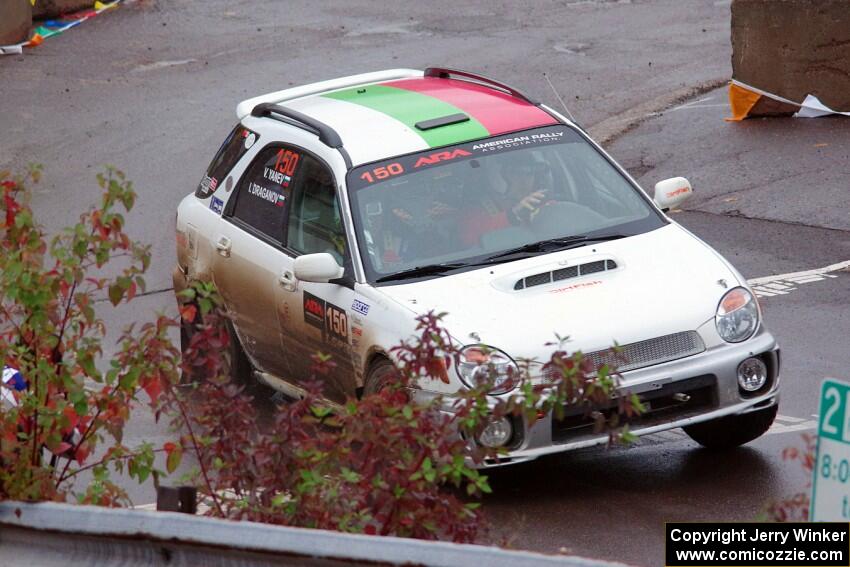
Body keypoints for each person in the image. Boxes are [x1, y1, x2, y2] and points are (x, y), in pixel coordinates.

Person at [459, 153, 552, 247]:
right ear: (497, 177)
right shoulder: (474, 212)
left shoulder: (546, 205)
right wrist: (512, 215)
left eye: (529, 173)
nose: (524, 180)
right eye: (516, 173)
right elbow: (472, 243)